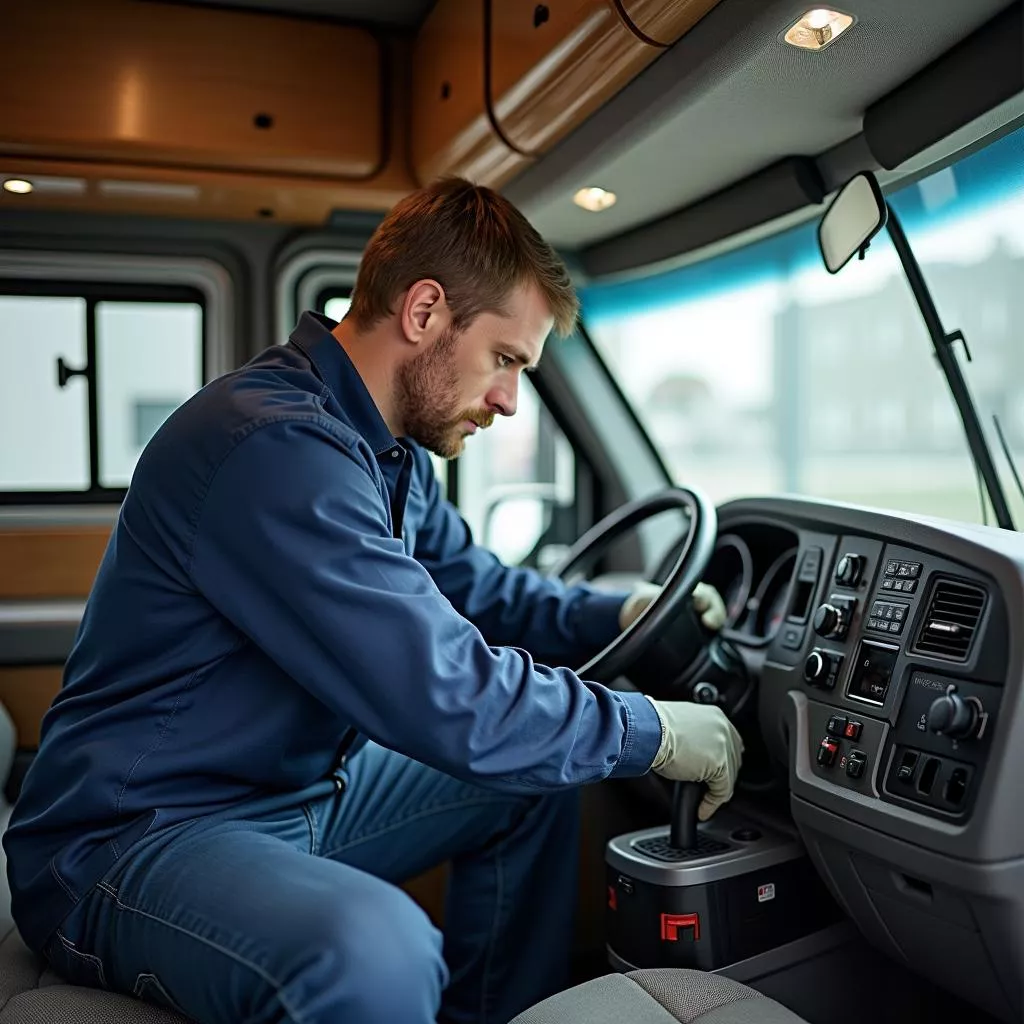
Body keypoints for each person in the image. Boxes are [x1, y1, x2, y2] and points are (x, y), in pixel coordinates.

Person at [4, 177, 743, 1024]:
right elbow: (449, 695)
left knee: (536, 779)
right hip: (130, 839)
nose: (508, 398)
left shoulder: (386, 453)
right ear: (424, 312)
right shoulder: (274, 446)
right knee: (374, 953)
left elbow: (479, 594)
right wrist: (651, 730)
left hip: (294, 796)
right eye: (505, 360)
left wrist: (614, 613)